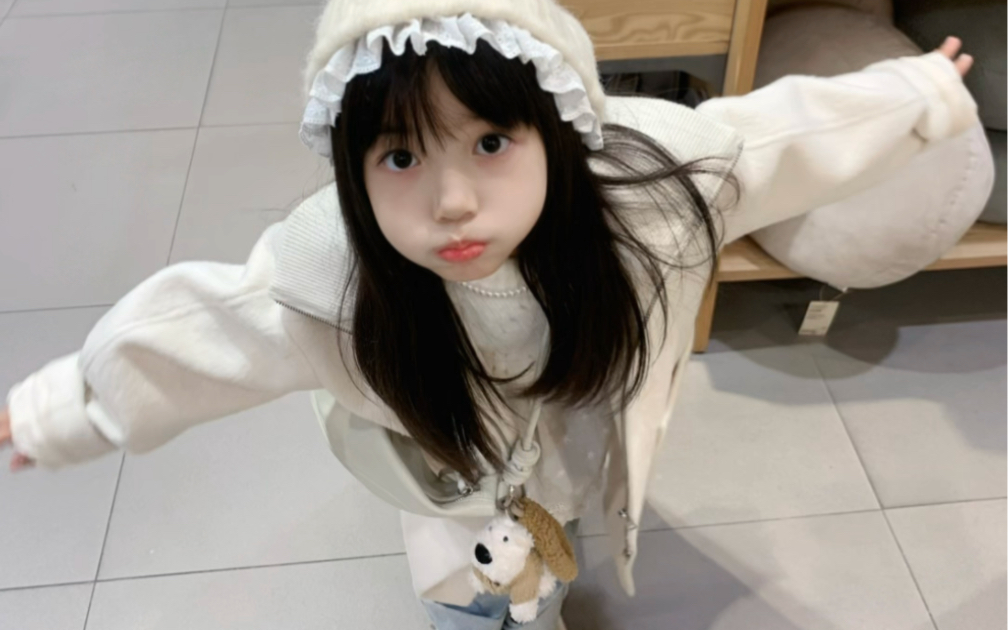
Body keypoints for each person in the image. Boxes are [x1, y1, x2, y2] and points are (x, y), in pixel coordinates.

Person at [0, 0, 976, 627]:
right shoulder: (328, 275)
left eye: (491, 142)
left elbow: (774, 140)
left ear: (555, 126)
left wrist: (918, 92)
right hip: (447, 481)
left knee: (558, 549)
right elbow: (209, 329)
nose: (453, 202)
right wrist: (64, 410)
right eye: (401, 155)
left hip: (577, 443)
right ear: (352, 166)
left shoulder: (644, 189)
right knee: (465, 595)